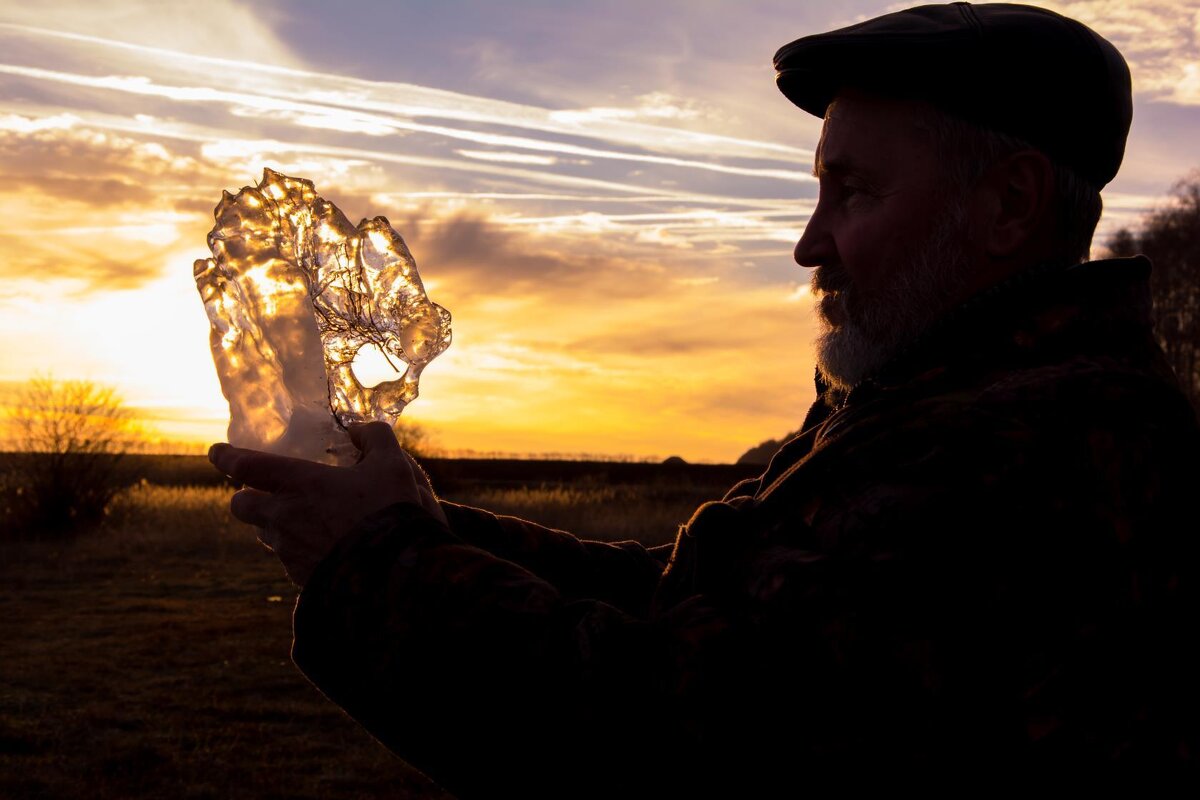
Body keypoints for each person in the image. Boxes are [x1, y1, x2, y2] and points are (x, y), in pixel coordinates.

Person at [210, 3, 1200, 794]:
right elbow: (697, 602)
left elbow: (682, 739)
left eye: (852, 192)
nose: (810, 244)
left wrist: (375, 561)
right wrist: (415, 523)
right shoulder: (933, 404)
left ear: (1009, 205)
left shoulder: (1041, 454)